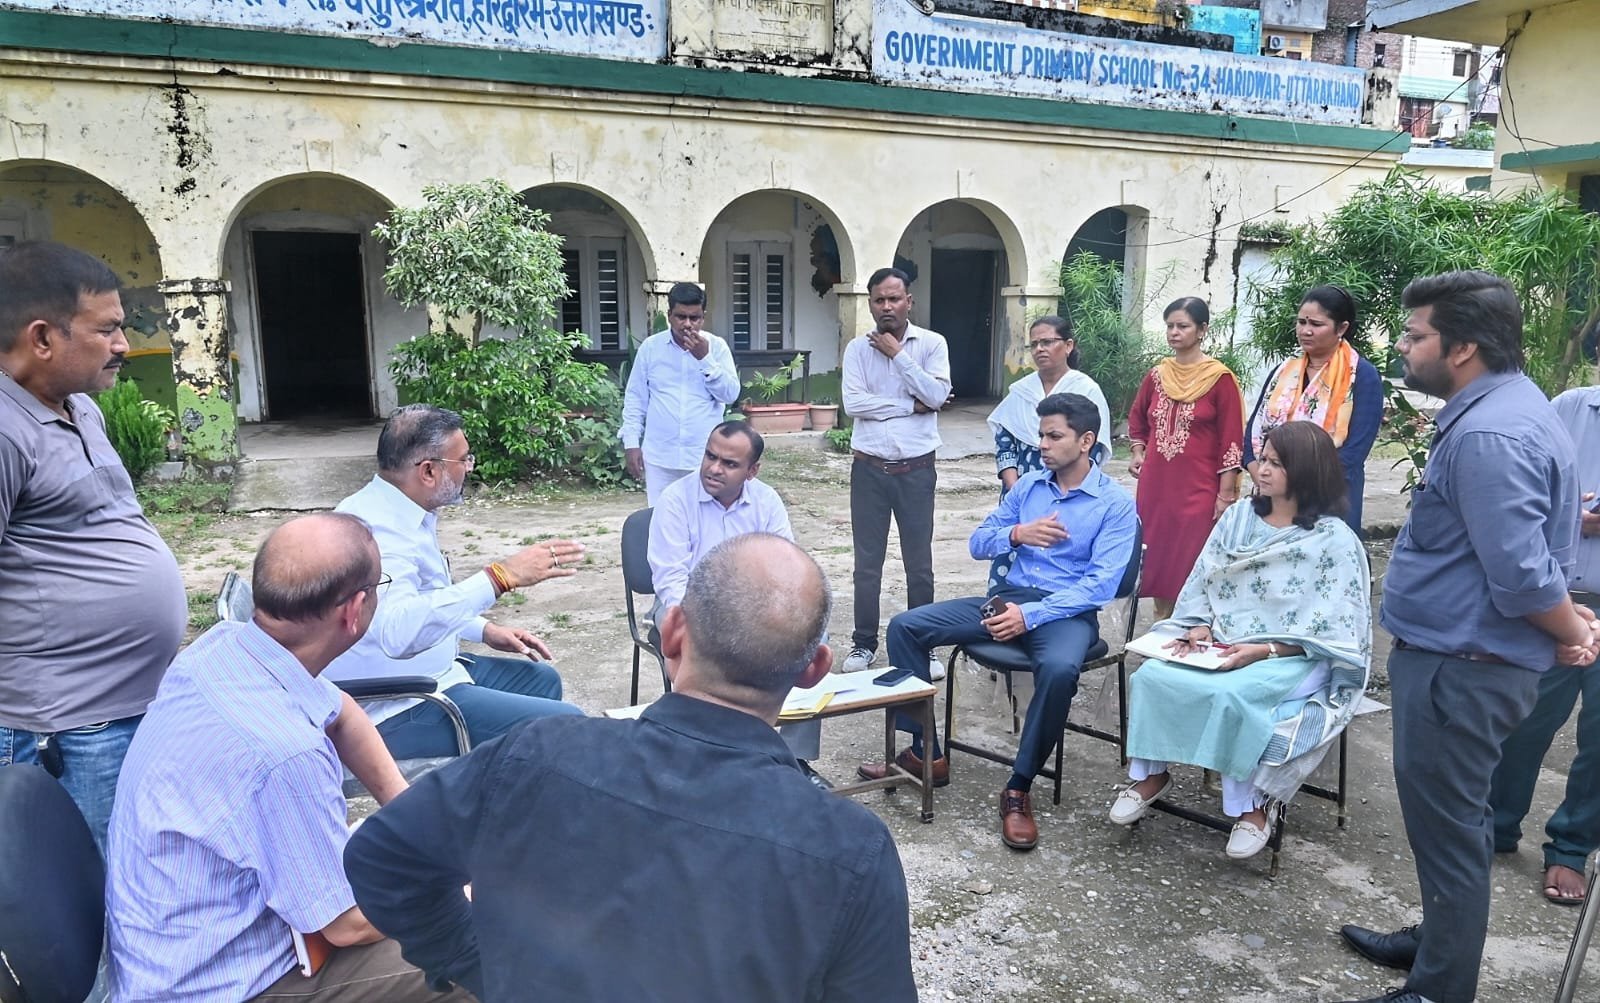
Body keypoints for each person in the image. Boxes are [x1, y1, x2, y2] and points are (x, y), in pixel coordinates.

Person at [343, 534, 917, 1002]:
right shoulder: (850, 848)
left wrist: (481, 965)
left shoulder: (533, 753)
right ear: (814, 669)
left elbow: (381, 857)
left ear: (671, 633)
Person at [1336, 271, 1600, 1003]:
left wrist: (1572, 627)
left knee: (1451, 831)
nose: (1402, 344)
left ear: (1462, 348)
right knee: (1457, 821)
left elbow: (1521, 574)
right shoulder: (1504, 407)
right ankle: (1439, 942)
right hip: (1465, 658)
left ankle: (1439, 988)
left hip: (1462, 668)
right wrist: (1572, 622)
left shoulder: (1491, 433)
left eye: (1415, 333)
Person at [106, 514, 470, 1002]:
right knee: (487, 946)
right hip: (218, 985)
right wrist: (460, 888)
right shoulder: (285, 755)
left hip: (175, 945)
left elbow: (341, 712)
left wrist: (412, 814)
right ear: (355, 610)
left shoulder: (223, 649)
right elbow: (345, 924)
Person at [857, 393, 1137, 851]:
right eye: (1041, 434)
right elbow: (978, 542)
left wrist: (1030, 616)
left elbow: (1100, 586)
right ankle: (926, 752)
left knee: (1059, 670)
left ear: (1086, 441)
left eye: (1054, 436)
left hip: (1065, 611)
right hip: (1009, 600)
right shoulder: (1028, 488)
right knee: (906, 626)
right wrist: (1016, 534)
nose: (1042, 444)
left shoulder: (1114, 504)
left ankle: (1018, 787)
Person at [1109, 421, 1370, 859]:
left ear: (1307, 470)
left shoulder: (1334, 541)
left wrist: (1265, 650)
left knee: (1234, 695)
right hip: (1225, 642)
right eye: (1262, 459)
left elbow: (1338, 628)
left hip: (1295, 656)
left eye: (1276, 464)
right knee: (1153, 676)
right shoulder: (1237, 518)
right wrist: (1199, 626)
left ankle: (1252, 806)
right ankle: (1150, 774)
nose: (1261, 470)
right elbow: (1203, 580)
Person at [0, 240, 185, 855]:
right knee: (88, 888)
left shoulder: (80, 407)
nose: (124, 345)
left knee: (136, 872)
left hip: (129, 704)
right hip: (68, 729)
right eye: (106, 330)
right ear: (42, 338)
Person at [326, 404, 584, 759]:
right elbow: (398, 633)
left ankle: (501, 783)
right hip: (397, 703)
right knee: (568, 726)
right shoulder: (375, 529)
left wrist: (483, 629)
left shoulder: (401, 508)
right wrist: (499, 577)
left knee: (542, 681)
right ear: (429, 470)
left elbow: (425, 598)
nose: (469, 468)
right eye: (463, 460)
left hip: (433, 674)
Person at [648, 419, 825, 786]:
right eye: (710, 456)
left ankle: (796, 762)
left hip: (753, 611)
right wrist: (713, 627)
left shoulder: (766, 501)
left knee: (807, 640)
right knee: (700, 643)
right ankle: (696, 759)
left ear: (752, 471)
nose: (714, 468)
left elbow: (787, 569)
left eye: (729, 463)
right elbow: (670, 581)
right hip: (688, 609)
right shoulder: (675, 500)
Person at [1489, 362, 1600, 907]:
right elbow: (1520, 496)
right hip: (1558, 597)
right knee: (1526, 717)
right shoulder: (1569, 408)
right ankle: (1497, 823)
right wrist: (1572, 517)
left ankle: (1572, 848)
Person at [841, 266, 952, 676]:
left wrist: (898, 356)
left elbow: (936, 395)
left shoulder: (932, 344)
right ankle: (863, 644)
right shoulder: (857, 350)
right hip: (868, 469)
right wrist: (909, 406)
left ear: (909, 301)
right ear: (870, 304)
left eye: (894, 298)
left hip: (916, 470)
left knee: (919, 564)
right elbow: (854, 404)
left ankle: (924, 645)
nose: (887, 306)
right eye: (879, 300)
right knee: (866, 565)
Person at [1127, 297, 1246, 620]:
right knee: (1158, 555)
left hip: (1199, 488)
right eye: (1170, 326)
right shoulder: (1157, 376)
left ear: (1202, 330)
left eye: (1183, 326)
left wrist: (1225, 495)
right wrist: (1138, 451)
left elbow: (1231, 440)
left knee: (1192, 558)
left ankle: (1191, 626)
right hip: (1156, 488)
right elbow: (1138, 419)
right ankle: (1162, 623)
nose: (1174, 333)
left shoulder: (1219, 379)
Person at [986, 314, 1112, 592]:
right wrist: (1016, 487)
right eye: (1034, 344)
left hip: (1068, 494)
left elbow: (1094, 448)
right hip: (1019, 489)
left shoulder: (1086, 390)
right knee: (1011, 549)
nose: (1039, 349)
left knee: (1057, 555)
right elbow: (1005, 442)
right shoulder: (1021, 391)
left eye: (1047, 342)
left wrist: (1066, 489)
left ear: (1068, 346)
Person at [1243, 285, 1382, 535]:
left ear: (1342, 328)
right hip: (1272, 499)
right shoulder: (1283, 372)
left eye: (1316, 324)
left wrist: (1293, 482)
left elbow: (1354, 451)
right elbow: (1253, 430)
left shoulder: (1361, 376)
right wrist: (1260, 472)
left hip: (1329, 499)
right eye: (1301, 322)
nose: (1305, 331)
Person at [620, 281, 741, 504]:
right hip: (660, 457)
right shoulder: (651, 348)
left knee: (706, 518)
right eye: (680, 316)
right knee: (661, 517)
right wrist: (631, 443)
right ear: (669, 315)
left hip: (704, 457)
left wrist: (705, 359)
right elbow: (635, 398)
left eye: (694, 318)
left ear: (703, 317)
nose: (687, 324)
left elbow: (730, 395)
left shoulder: (716, 348)